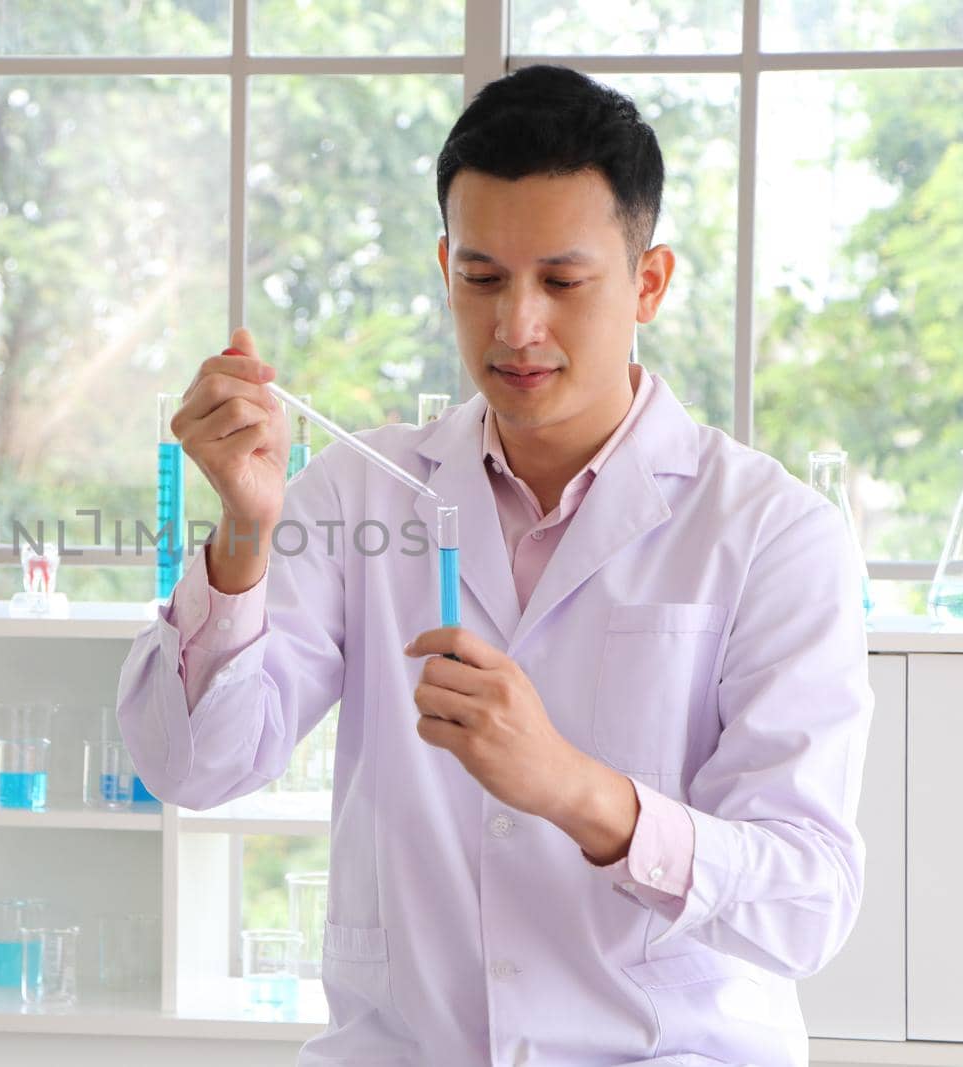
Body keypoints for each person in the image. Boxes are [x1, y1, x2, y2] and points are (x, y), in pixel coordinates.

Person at [115, 65, 872, 1066]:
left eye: (562, 281)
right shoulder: (358, 493)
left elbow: (805, 900)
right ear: (443, 266)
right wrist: (244, 531)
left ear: (648, 281)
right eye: (481, 278)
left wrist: (574, 790)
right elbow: (191, 767)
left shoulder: (773, 530)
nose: (516, 326)